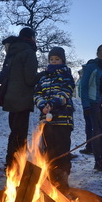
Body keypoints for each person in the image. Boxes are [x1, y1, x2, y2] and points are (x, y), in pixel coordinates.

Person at [34, 46, 75, 193]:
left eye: (57, 59)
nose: (54, 61)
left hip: (63, 120)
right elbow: (37, 93)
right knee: (48, 150)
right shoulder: (44, 77)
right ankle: (49, 179)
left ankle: (62, 181)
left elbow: (66, 92)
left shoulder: (66, 76)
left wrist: (53, 103)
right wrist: (42, 105)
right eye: (51, 59)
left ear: (62, 60)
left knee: (62, 150)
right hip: (46, 120)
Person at [2, 27, 39, 168]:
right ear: (32, 38)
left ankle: (10, 161)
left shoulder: (12, 53)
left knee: (14, 132)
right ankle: (16, 165)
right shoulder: (28, 53)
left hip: (11, 98)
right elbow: (30, 79)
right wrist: (44, 74)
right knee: (20, 134)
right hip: (22, 99)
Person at [80, 44, 102, 170]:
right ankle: (99, 161)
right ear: (97, 52)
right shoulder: (91, 66)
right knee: (97, 132)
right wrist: (86, 104)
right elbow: (84, 86)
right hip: (94, 103)